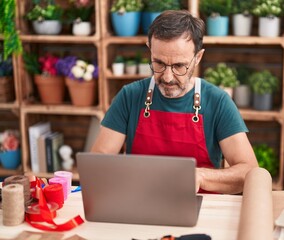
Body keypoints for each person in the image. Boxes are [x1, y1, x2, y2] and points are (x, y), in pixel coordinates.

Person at [91, 10, 258, 194]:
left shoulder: (218, 102)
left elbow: (250, 172)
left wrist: (200, 176)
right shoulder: (130, 96)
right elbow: (98, 162)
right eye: (159, 63)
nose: (168, 77)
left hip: (202, 211)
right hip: (138, 204)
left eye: (179, 66)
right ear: (150, 50)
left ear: (198, 58)